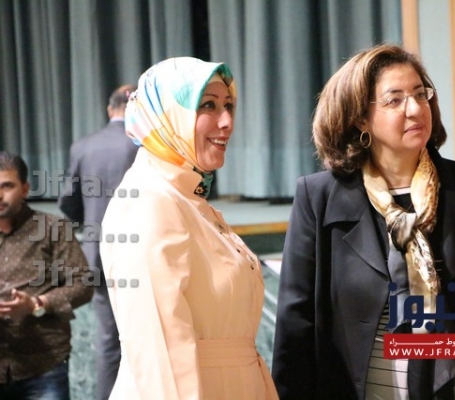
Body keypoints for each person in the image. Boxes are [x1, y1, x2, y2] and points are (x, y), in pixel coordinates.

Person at [271, 44, 455, 400]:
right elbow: (296, 326)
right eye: (395, 100)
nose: (416, 109)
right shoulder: (320, 198)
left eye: (421, 94)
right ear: (360, 118)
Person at [99, 57, 278, 399]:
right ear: (168, 116)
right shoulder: (149, 202)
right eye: (208, 105)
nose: (226, 122)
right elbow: (160, 355)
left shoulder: (188, 198)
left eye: (229, 106)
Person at [58, 83, 138, 400]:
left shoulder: (83, 146)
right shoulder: (146, 144)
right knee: (147, 337)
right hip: (142, 255)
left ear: (109, 109)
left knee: (108, 340)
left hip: (99, 255)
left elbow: (68, 201)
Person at [0, 151, 93, 399]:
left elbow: (83, 284)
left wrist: (36, 304)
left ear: (24, 189)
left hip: (42, 365)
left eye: (7, 186)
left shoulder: (53, 228)